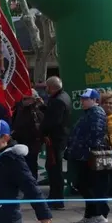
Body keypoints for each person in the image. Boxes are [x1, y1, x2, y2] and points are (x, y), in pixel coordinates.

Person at [65, 89, 110, 223]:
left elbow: (96, 135)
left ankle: (98, 215)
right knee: (82, 184)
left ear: (95, 100)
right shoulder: (88, 113)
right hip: (81, 155)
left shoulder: (97, 113)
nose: (82, 101)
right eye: (82, 99)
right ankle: (89, 215)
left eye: (86, 99)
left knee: (87, 185)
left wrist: (87, 151)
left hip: (88, 156)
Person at [39, 76, 71, 210]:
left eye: (47, 86)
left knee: (54, 169)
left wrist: (41, 131)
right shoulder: (64, 96)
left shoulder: (58, 101)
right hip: (59, 138)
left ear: (51, 87)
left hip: (55, 139)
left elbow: (53, 121)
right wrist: (43, 107)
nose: (46, 89)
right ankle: (55, 197)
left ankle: (56, 199)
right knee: (53, 168)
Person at [11, 89, 44, 179]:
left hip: (33, 144)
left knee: (31, 166)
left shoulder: (37, 110)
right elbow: (16, 123)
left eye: (27, 98)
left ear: (33, 99)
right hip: (21, 142)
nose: (24, 100)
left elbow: (39, 126)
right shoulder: (19, 109)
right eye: (23, 98)